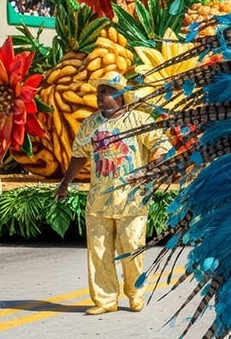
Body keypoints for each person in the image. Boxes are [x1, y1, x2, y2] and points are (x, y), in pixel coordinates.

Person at [55, 72, 172, 316]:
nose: (98, 97)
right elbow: (79, 155)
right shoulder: (90, 124)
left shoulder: (139, 119)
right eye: (98, 92)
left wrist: (154, 165)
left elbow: (161, 145)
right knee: (98, 252)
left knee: (132, 249)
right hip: (99, 201)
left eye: (105, 92)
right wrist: (65, 183)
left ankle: (135, 293)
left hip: (132, 200)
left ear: (120, 95)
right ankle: (105, 299)